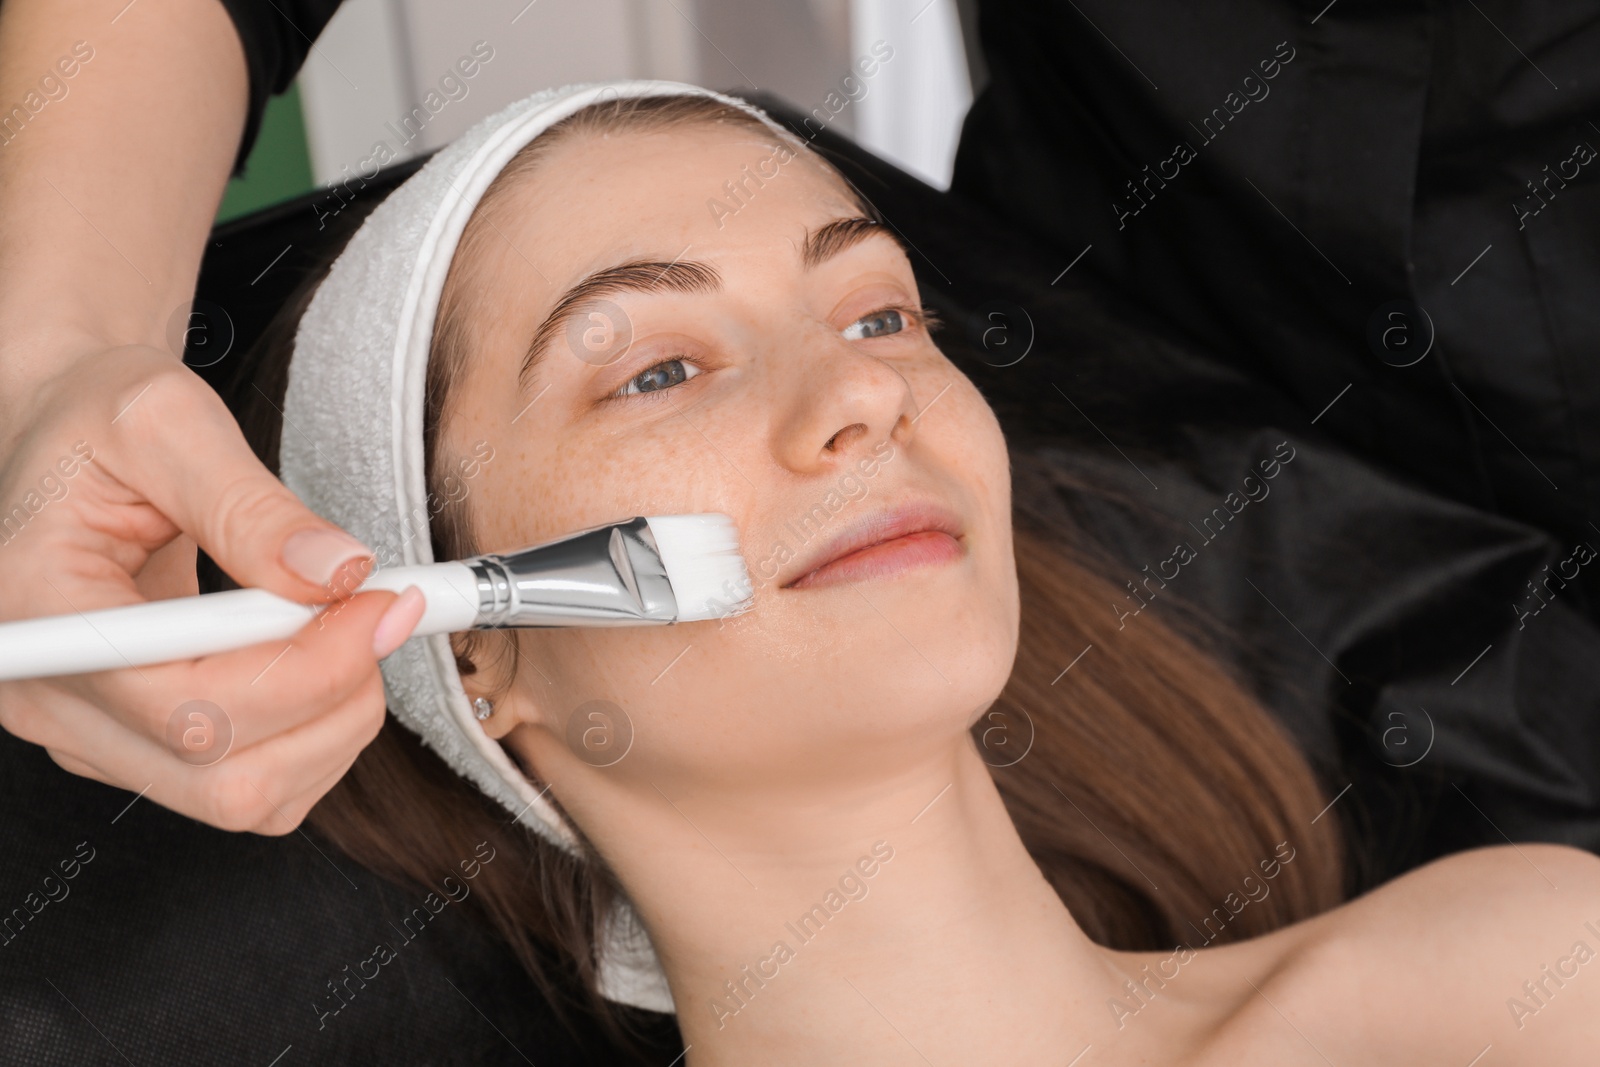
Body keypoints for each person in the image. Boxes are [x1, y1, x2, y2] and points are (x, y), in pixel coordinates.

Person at [239, 84, 1600, 1060]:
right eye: (659, 368)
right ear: (470, 648)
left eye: (882, 313)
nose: (860, 392)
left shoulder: (1524, 967)